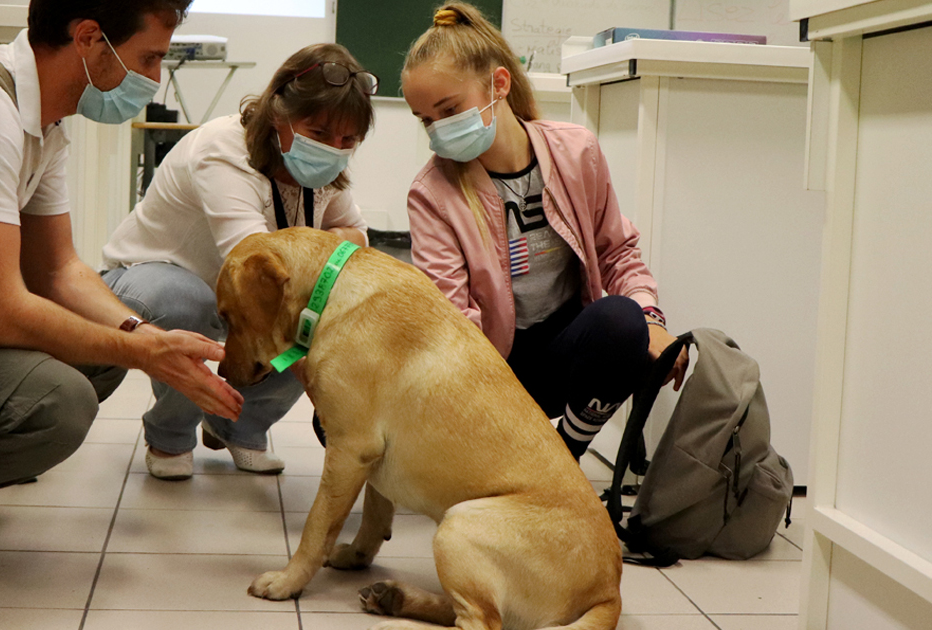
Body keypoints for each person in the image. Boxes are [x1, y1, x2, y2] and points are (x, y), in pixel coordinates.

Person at [0, 0, 243, 585]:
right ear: (91, 38)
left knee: (100, 355)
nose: (151, 80)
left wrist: (145, 337)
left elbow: (59, 272)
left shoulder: (44, 125)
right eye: (148, 58)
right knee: (60, 403)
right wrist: (141, 351)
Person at [401, 3, 689, 461]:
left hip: (565, 352)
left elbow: (617, 253)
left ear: (499, 84)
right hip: (490, 368)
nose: (438, 130)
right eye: (426, 119)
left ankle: (562, 458)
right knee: (342, 423)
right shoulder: (432, 192)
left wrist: (652, 323)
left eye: (449, 109)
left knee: (623, 322)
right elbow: (453, 321)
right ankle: (513, 456)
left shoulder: (576, 151)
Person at [100, 43, 376, 480]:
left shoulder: (324, 168)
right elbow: (251, 267)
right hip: (149, 280)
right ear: (278, 115)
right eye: (320, 134)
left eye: (348, 140)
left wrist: (340, 243)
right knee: (195, 305)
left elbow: (358, 236)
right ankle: (169, 435)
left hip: (234, 288)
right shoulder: (223, 149)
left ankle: (239, 426)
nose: (334, 149)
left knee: (312, 320)